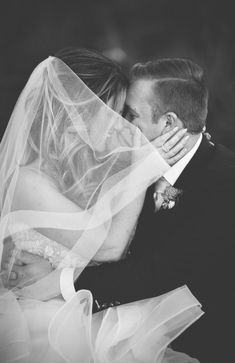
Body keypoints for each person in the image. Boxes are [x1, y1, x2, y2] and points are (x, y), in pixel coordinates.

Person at [0, 49, 202, 363]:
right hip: (42, 326)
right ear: (79, 110)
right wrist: (142, 169)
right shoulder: (28, 179)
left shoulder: (91, 168)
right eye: (111, 112)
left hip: (82, 309)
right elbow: (108, 246)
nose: (118, 126)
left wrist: (57, 277)